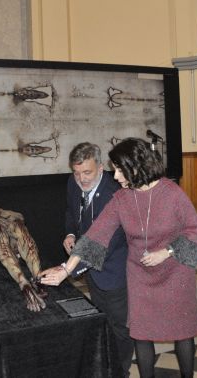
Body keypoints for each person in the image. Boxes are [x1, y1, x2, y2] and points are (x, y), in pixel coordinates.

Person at [41, 138, 197, 378]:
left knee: (182, 331)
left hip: (175, 272)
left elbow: (194, 231)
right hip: (139, 274)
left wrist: (166, 252)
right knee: (140, 333)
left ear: (135, 166)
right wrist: (66, 269)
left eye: (119, 169)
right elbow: (97, 235)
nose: (115, 176)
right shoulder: (123, 198)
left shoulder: (171, 193)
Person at [62, 142, 134, 376]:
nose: (81, 179)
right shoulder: (73, 184)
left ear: (101, 168)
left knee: (120, 327)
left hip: (115, 271)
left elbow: (107, 241)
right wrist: (71, 233)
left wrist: (68, 269)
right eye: (76, 172)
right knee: (102, 321)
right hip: (92, 271)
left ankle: (121, 371)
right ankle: (106, 366)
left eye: (87, 173)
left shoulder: (116, 192)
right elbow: (71, 213)